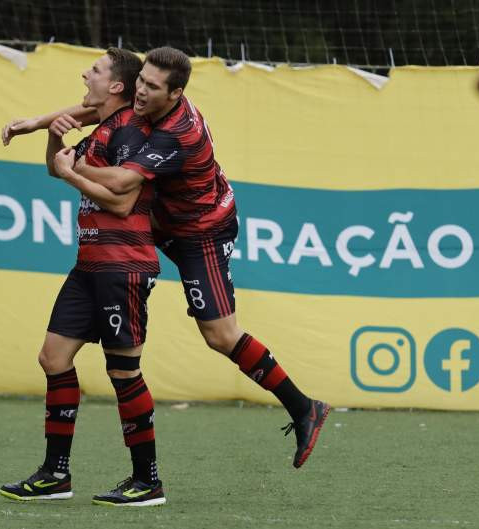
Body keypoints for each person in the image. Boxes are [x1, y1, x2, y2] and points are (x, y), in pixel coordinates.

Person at [28, 47, 330, 469]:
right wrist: (37, 125)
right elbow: (97, 110)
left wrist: (71, 168)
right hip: (163, 222)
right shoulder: (142, 102)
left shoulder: (177, 132)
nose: (141, 91)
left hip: (200, 231)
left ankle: (303, 408)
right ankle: (61, 471)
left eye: (152, 87)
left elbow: (121, 182)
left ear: (176, 94)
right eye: (140, 80)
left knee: (220, 336)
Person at [0, 48, 169, 507]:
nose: (84, 75)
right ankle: (56, 474)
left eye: (94, 71)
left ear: (116, 86)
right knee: (53, 358)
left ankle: (147, 479)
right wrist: (52, 139)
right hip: (89, 265)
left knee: (122, 370)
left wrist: (72, 173)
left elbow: (119, 204)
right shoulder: (101, 128)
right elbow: (59, 170)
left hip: (123, 266)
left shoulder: (131, 132)